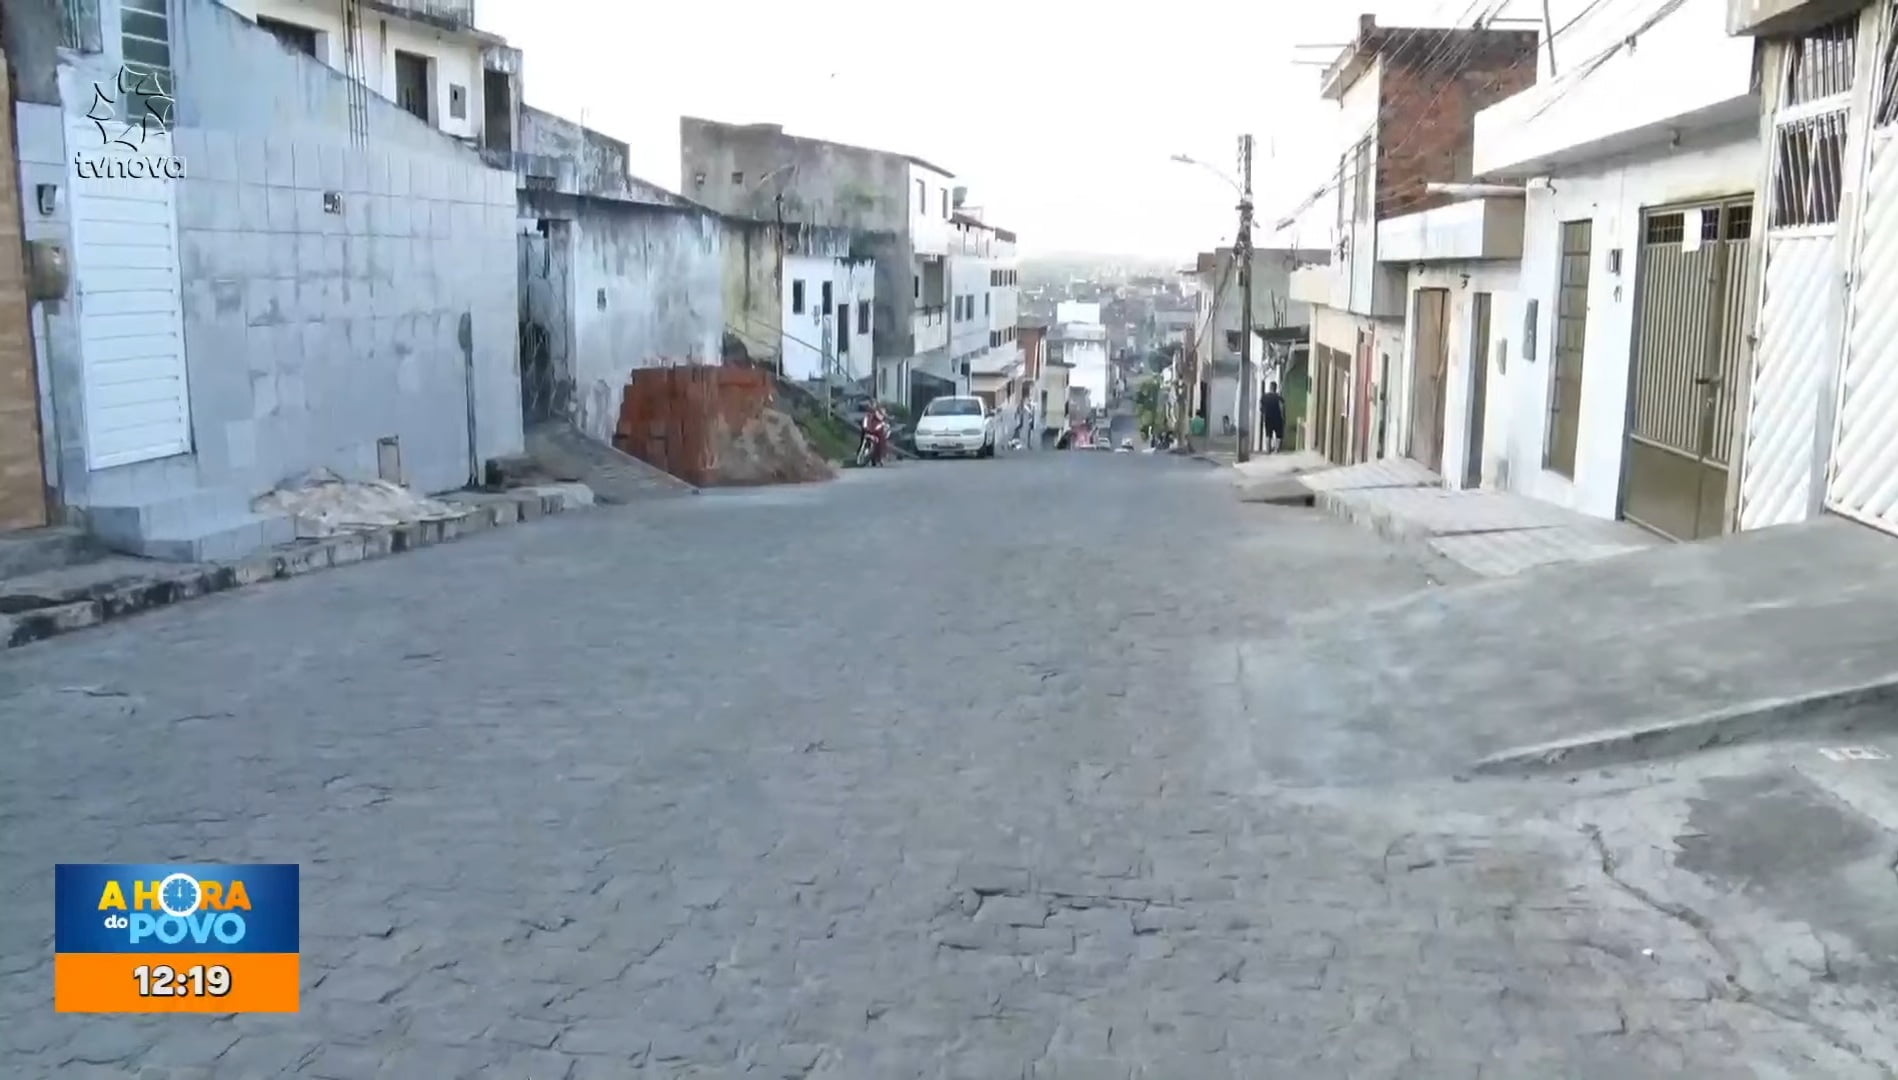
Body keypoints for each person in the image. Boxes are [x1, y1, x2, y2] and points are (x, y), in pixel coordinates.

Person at [1261, 381, 1287, 454]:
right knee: (1279, 434)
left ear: (1270, 387)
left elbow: (1261, 408)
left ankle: (1268, 450)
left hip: (1268, 418)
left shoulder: (1264, 397)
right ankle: (1277, 449)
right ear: (1275, 388)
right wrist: (1284, 417)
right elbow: (1282, 407)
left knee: (1268, 434)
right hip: (1277, 418)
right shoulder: (1279, 397)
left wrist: (1264, 416)